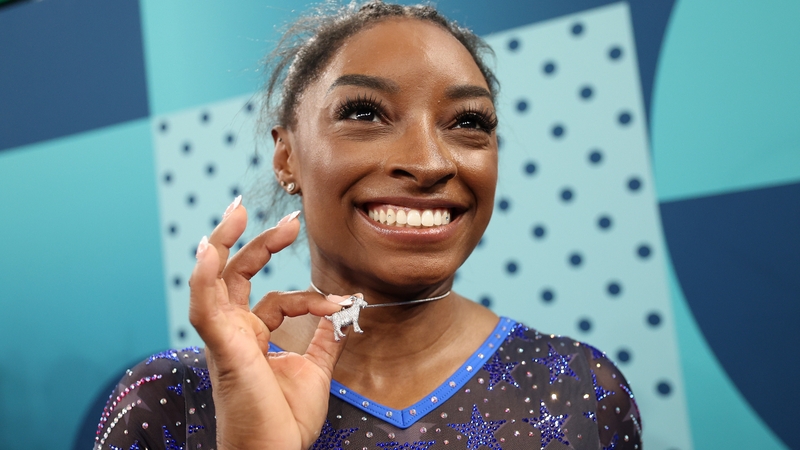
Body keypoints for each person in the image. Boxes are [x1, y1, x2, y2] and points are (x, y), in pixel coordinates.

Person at [94, 2, 642, 449]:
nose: (429, 163)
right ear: (287, 158)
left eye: (469, 122)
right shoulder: (170, 400)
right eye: (365, 114)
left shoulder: (579, 386)